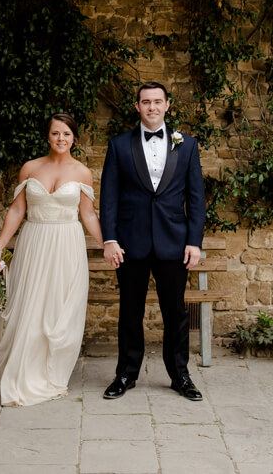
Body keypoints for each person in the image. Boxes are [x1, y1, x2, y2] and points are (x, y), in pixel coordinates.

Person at [99, 82, 206, 401]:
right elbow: (109, 198)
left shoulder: (186, 145)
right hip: (131, 242)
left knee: (175, 311)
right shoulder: (119, 145)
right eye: (146, 102)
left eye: (157, 102)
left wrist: (194, 241)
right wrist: (110, 239)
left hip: (174, 243)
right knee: (130, 310)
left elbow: (196, 198)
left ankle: (180, 375)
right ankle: (125, 374)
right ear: (137, 107)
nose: (152, 107)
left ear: (167, 105)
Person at [0, 113, 104, 406]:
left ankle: (49, 372)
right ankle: (22, 371)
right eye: (56, 133)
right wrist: (0, 245)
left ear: (74, 138)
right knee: (28, 305)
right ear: (48, 136)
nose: (61, 139)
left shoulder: (82, 173)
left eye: (66, 134)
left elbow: (88, 214)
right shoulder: (30, 168)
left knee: (57, 310)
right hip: (34, 241)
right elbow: (17, 210)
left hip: (67, 244)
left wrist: (106, 244)